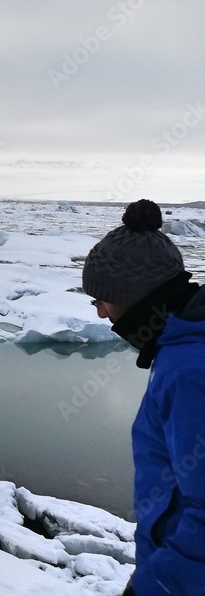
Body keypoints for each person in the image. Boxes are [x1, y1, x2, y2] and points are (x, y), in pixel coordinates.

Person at [82, 198, 205, 595]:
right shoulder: (182, 346)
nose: (101, 314)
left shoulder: (189, 371)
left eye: (101, 299)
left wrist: (155, 586)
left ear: (135, 298)